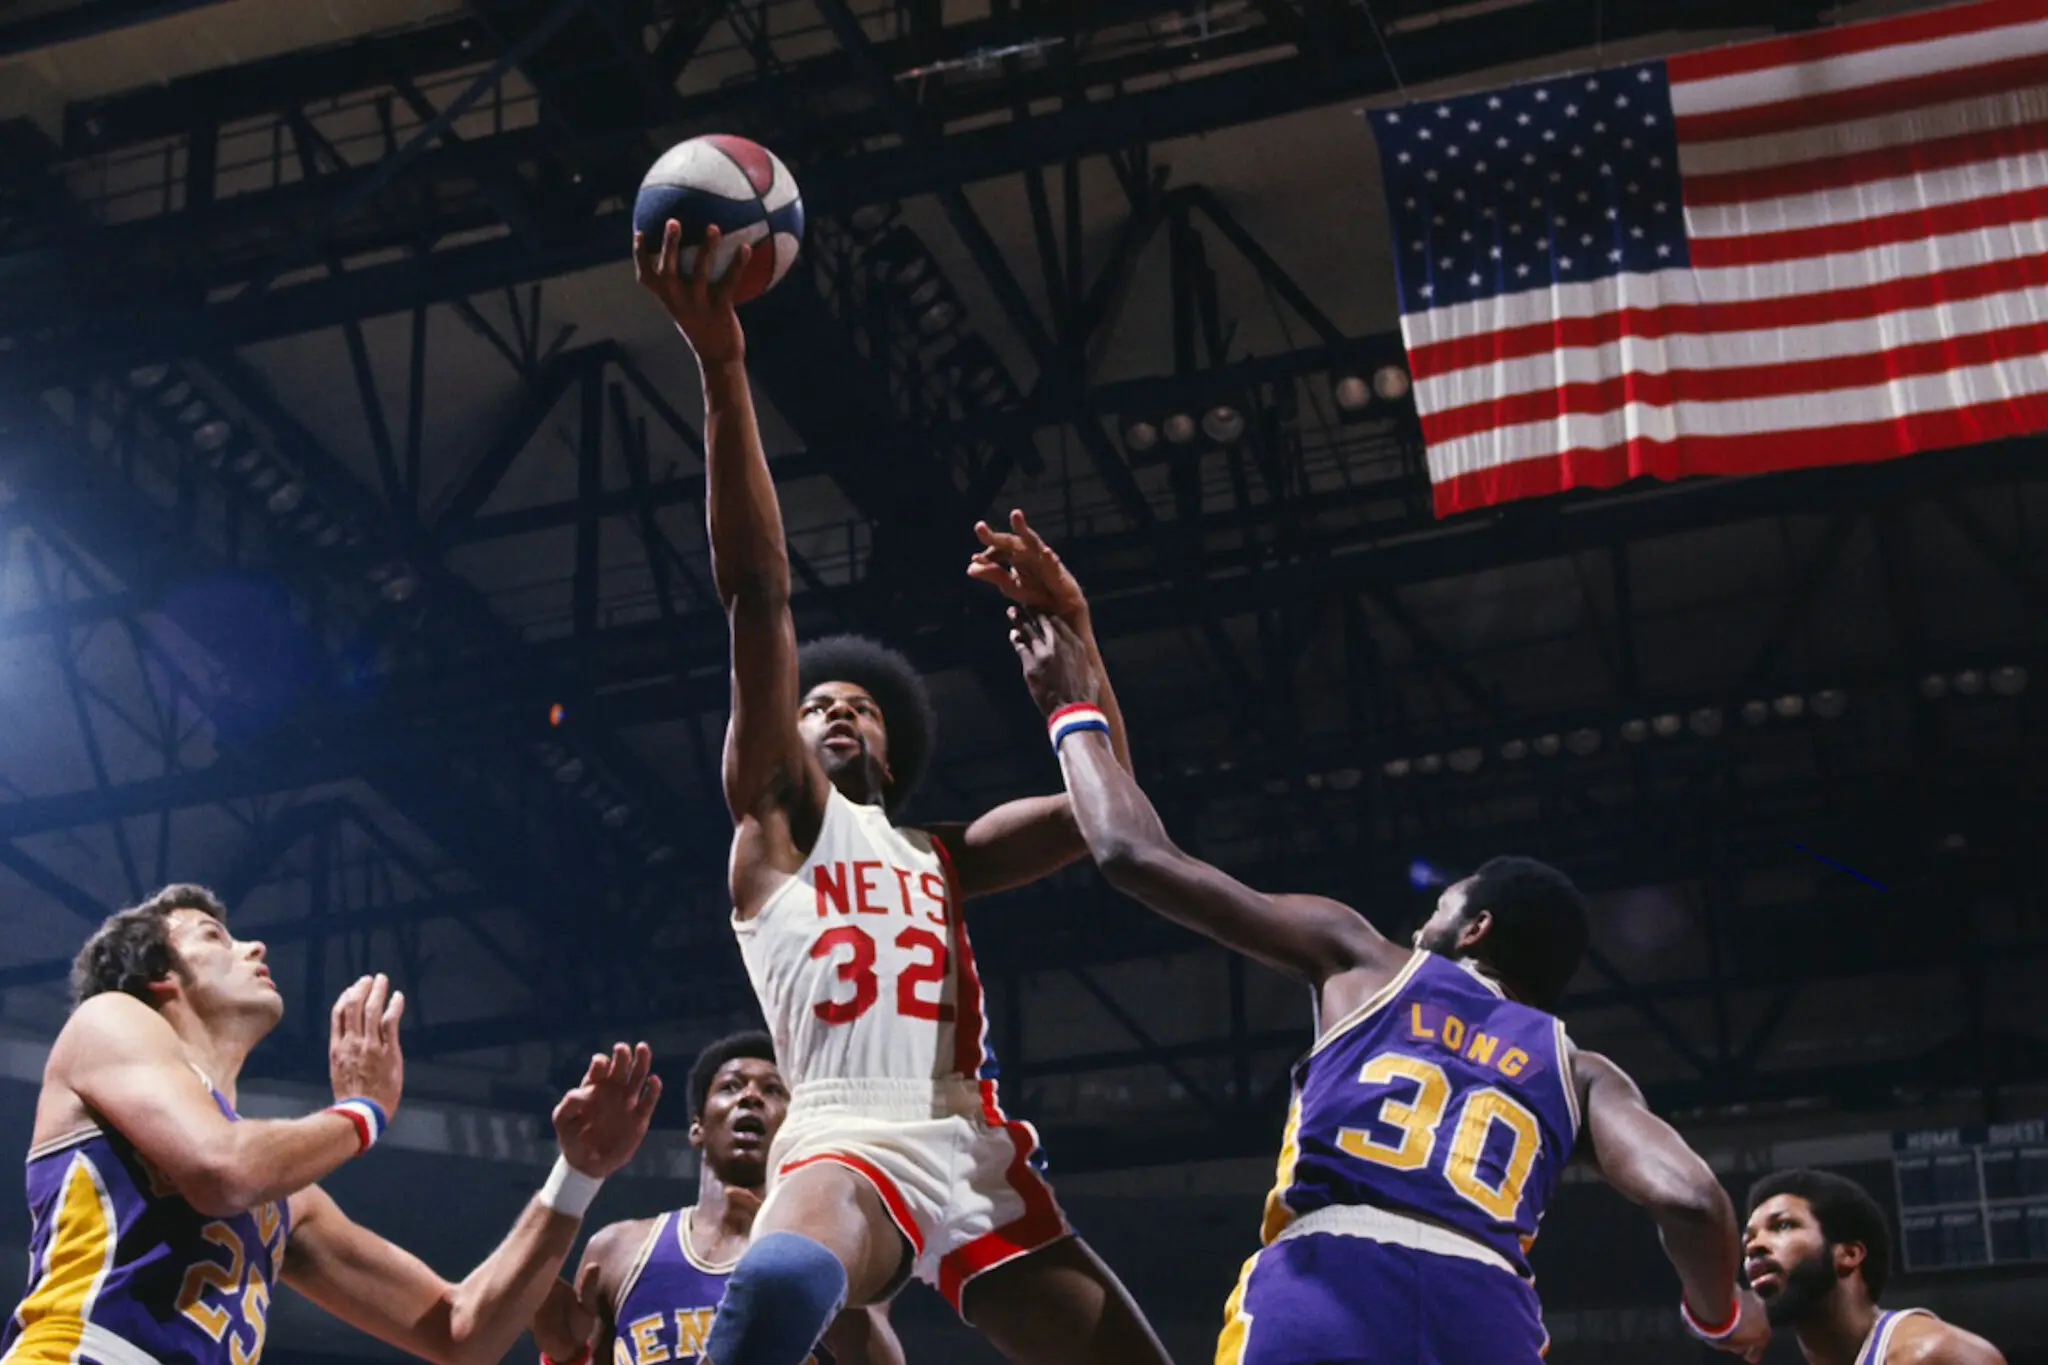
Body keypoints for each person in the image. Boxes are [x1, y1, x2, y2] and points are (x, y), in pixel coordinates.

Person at [631, 220, 1169, 1365]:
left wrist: (1077, 640)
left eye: (859, 706)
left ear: (893, 742)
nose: (834, 711)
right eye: (815, 703)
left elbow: (1108, 810)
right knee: (779, 1284)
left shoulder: (944, 852)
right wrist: (723, 365)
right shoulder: (776, 820)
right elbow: (756, 591)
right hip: (842, 1127)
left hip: (971, 1139)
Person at [1006, 609, 1775, 1365]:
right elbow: (1691, 1199)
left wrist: (1071, 708)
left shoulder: (1366, 960)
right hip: (1487, 1313)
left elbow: (1133, 854)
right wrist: (1723, 1315)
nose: (1422, 920)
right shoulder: (1579, 1071)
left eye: (1441, 905)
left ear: (1475, 926)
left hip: (1328, 1285)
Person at [3, 883, 661, 1365]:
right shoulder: (109, 1020)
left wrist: (578, 1174)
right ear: (157, 977)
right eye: (212, 935)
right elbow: (222, 1169)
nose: (254, 945)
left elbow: (460, 1333)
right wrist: (361, 1111)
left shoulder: (286, 1196)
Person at [529, 1032, 901, 1365]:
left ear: (795, 1128)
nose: (751, 1097)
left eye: (773, 1090)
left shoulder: (836, 1245)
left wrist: (806, 1265)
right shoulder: (616, 1249)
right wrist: (566, 1359)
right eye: (731, 1086)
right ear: (697, 1126)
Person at [1744, 1169, 2005, 1364]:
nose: (1754, 1246)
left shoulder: (1930, 1354)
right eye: (1748, 1239)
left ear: (1849, 1254)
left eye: (1783, 1225)